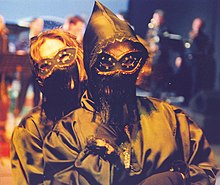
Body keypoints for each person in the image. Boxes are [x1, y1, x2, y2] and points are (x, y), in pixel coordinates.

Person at [43, 2, 218, 185]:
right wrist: (100, 156)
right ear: (91, 65)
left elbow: (205, 169)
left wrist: (178, 178)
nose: (118, 73)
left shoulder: (169, 119)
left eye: (127, 62)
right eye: (106, 63)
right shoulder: (68, 133)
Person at [10, 29, 87, 185]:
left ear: (78, 58)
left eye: (64, 56)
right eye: (46, 64)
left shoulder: (101, 112)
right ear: (39, 76)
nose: (58, 68)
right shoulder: (31, 129)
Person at [14, 17, 44, 117]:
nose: (40, 27)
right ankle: (17, 113)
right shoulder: (23, 36)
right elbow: (17, 48)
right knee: (22, 92)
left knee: (37, 94)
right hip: (25, 69)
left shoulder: (42, 38)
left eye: (42, 25)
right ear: (32, 24)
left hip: (37, 71)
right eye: (38, 24)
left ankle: (34, 116)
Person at [185, 17, 215, 98]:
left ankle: (193, 101)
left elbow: (206, 51)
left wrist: (196, 38)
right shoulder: (189, 35)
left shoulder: (204, 38)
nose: (196, 27)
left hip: (197, 63)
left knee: (196, 82)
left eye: (198, 25)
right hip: (187, 62)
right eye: (195, 25)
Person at [0, 15, 10, 142]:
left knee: (4, 103)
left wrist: (9, 79)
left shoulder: (4, 38)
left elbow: (7, 58)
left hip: (1, 77)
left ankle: (1, 131)